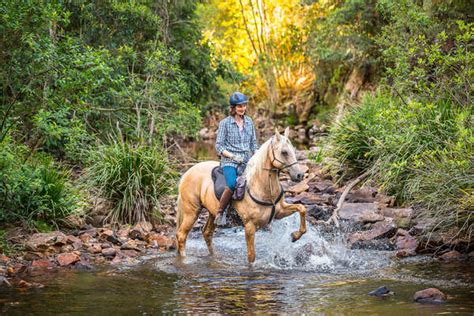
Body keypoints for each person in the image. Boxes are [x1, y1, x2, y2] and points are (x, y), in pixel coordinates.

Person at [214, 92, 258, 225]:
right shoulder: (225, 123)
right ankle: (220, 212)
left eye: (244, 105)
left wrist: (257, 155)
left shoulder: (249, 121)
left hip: (247, 159)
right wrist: (233, 156)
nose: (242, 108)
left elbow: (253, 144)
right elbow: (219, 146)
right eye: (239, 106)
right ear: (233, 107)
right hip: (230, 160)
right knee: (233, 184)